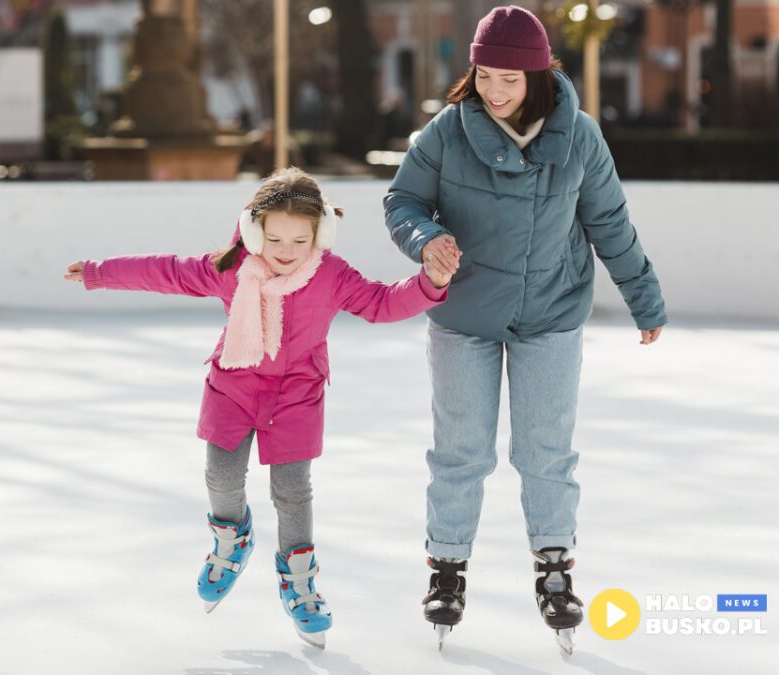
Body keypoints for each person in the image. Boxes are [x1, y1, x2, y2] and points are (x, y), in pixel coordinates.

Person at [65, 167, 457, 648]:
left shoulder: (331, 274)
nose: (286, 251)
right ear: (255, 231)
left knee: (293, 491)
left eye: (299, 240)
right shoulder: (231, 267)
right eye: (274, 239)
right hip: (233, 384)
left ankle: (298, 577)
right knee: (221, 476)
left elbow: (379, 303)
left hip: (297, 395)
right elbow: (166, 271)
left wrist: (430, 282)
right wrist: (100, 273)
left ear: (319, 234)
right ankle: (232, 539)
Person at [382, 5, 667, 653]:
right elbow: (402, 200)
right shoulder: (449, 132)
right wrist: (425, 239)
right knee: (461, 449)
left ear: (538, 75)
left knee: (546, 450)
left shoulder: (582, 136)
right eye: (485, 75)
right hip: (464, 315)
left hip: (551, 312)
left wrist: (643, 297)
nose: (496, 90)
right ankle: (447, 567)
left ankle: (555, 566)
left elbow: (610, 224)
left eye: (510, 78)